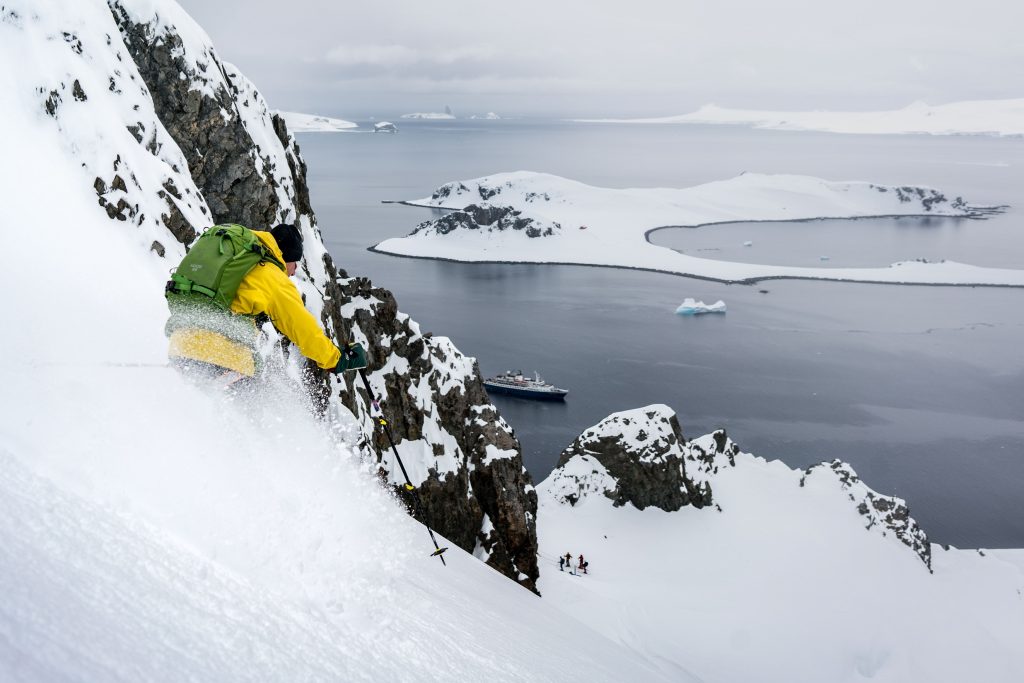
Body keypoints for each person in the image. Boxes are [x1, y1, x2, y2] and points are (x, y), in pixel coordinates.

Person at [166, 223, 366, 387]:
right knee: (251, 424)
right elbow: (302, 328)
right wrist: (337, 360)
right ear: (285, 256)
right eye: (295, 262)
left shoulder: (241, 260)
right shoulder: (271, 276)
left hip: (180, 349)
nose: (295, 269)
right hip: (225, 361)